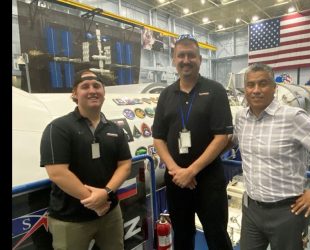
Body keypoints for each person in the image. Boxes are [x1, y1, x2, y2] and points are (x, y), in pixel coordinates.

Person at [230, 63, 310, 250]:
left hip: (287, 212)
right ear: (245, 89)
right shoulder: (241, 117)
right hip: (251, 209)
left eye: (263, 83)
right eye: (250, 85)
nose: (256, 90)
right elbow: (229, 140)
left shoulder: (292, 117)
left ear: (274, 88)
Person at [152, 34, 233, 250]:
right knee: (183, 235)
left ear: (200, 60)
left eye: (191, 55)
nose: (186, 60)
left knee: (217, 235)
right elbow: (158, 137)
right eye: (181, 56)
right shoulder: (166, 95)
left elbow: (222, 137)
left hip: (208, 180)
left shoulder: (215, 91)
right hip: (176, 180)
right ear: (173, 60)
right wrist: (176, 170)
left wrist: (192, 171)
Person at [40, 69, 132, 250]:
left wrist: (105, 193)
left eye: (97, 86)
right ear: (74, 94)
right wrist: (95, 201)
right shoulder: (58, 128)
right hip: (71, 220)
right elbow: (57, 172)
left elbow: (125, 165)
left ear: (104, 92)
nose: (92, 90)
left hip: (110, 213)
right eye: (85, 86)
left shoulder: (115, 128)